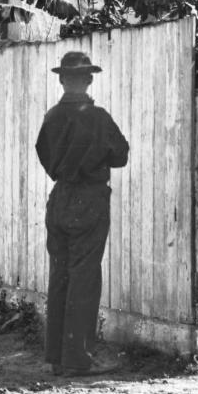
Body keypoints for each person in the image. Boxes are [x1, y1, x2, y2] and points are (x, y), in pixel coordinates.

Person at [36, 50, 129, 377]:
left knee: (60, 275)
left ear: (62, 80)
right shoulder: (98, 117)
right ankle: (78, 359)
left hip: (60, 197)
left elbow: (45, 156)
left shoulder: (51, 117)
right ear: (89, 80)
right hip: (89, 200)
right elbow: (120, 156)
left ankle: (55, 358)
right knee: (84, 278)